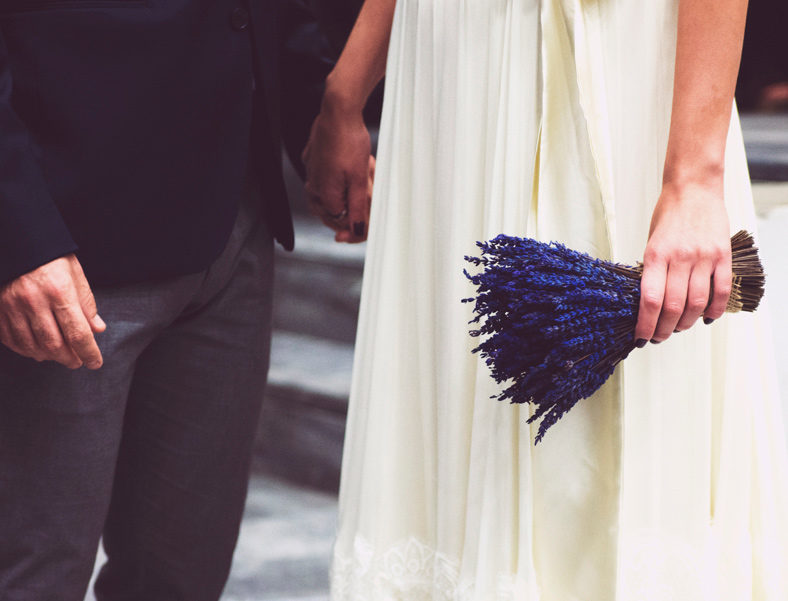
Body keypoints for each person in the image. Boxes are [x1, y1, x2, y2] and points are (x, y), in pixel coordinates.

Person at [303, 0, 788, 598]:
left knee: (611, 469)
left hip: (619, 72)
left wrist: (693, 174)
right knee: (454, 437)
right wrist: (344, 93)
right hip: (452, 81)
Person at [0, 1, 332, 599]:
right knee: (21, 578)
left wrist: (323, 114)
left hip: (232, 214)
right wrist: (12, 235)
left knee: (179, 575)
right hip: (60, 224)